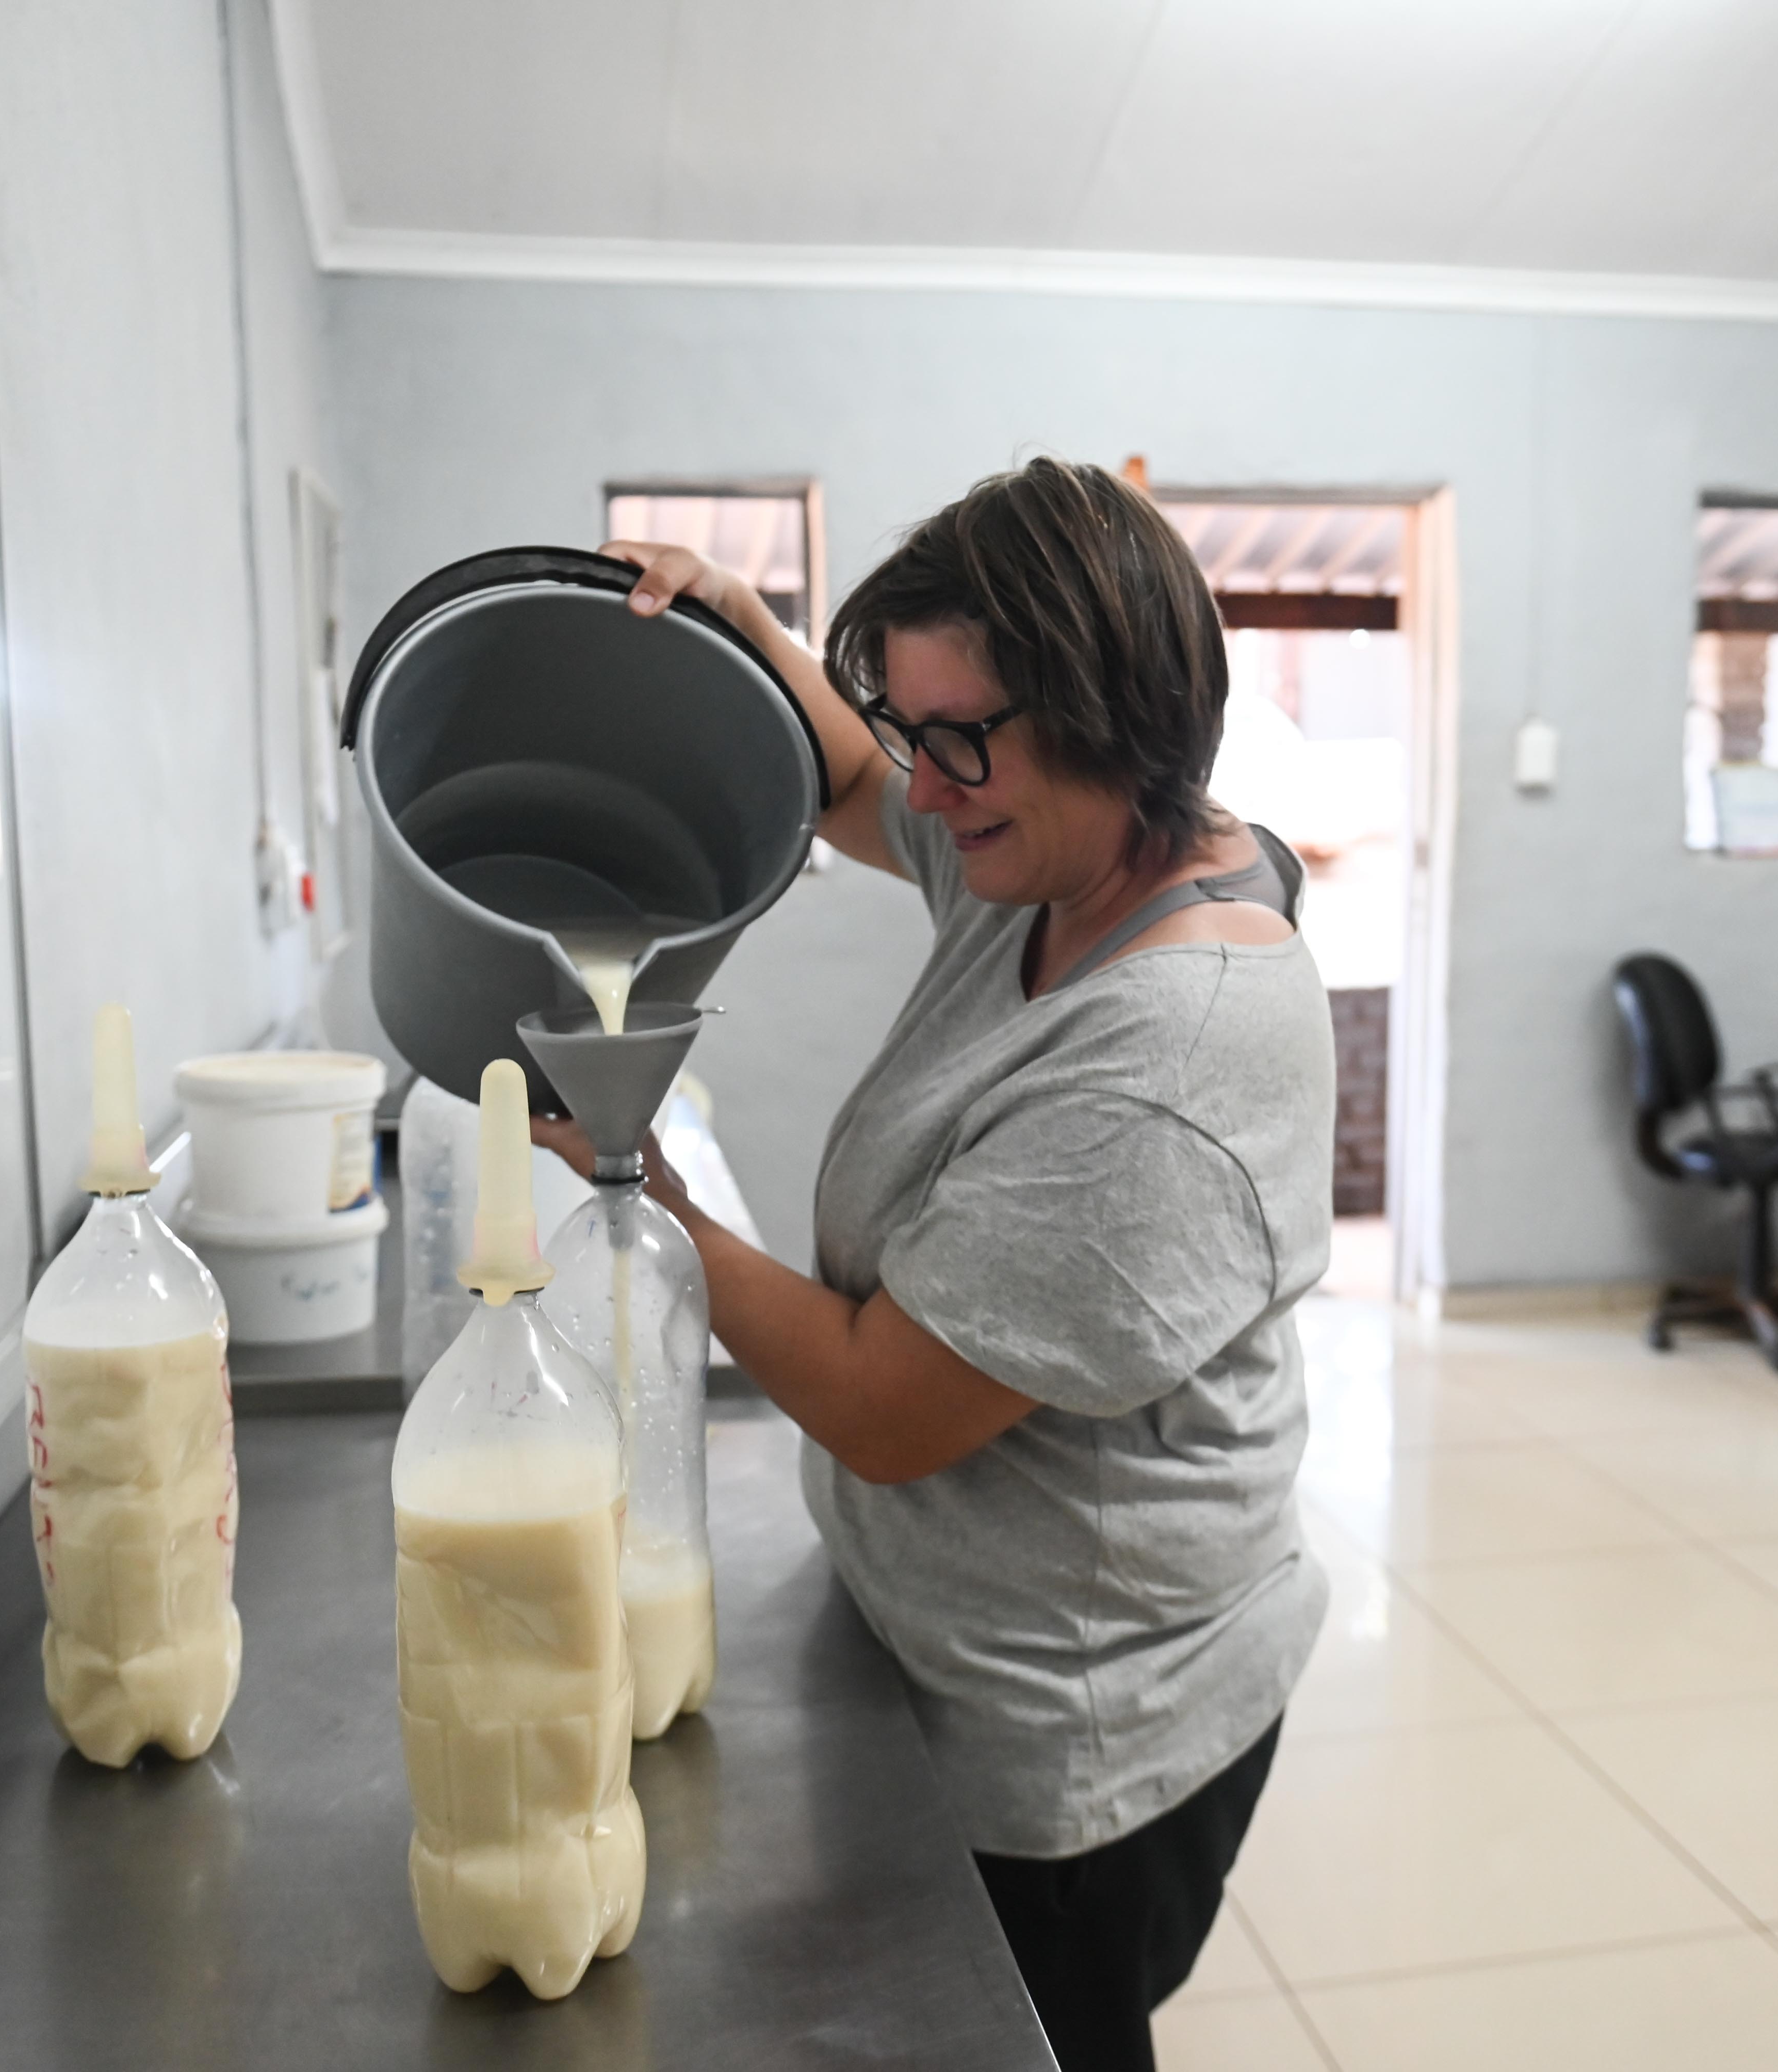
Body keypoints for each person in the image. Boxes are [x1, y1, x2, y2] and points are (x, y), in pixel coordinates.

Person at [541, 458, 1333, 2072]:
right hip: (959, 1635)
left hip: (1083, 1734)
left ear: (1122, 717)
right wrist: (744, 620)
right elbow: (851, 792)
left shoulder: (1164, 1060)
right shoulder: (1062, 852)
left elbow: (882, 1403)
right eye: (913, 728)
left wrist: (650, 1196)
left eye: (961, 739)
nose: (926, 785)